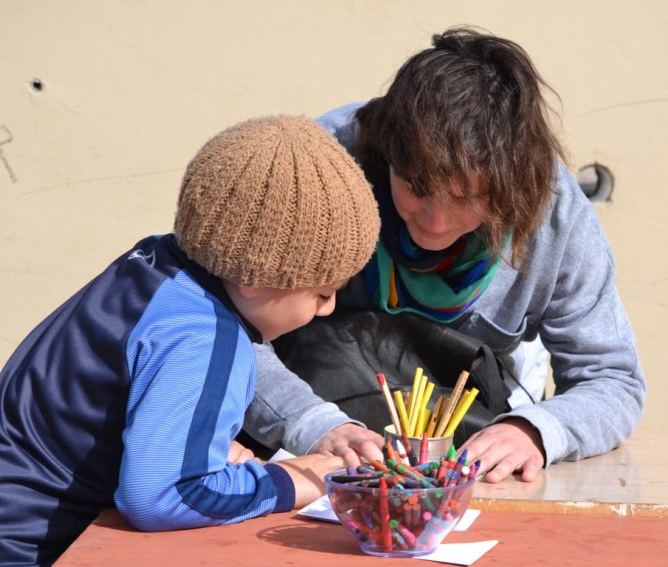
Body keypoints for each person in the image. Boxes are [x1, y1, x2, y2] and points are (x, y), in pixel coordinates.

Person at [0, 115, 381, 566]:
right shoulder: (203, 335)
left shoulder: (153, 263)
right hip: (8, 547)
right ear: (254, 277)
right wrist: (294, 479)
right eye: (322, 293)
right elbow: (162, 497)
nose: (328, 309)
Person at [243, 27, 646, 484]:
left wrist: (535, 431)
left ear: (513, 183)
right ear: (384, 151)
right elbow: (221, 324)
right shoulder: (319, 167)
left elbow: (613, 380)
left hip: (472, 427)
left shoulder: (555, 211)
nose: (435, 223)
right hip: (311, 424)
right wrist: (312, 422)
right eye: (415, 187)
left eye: (466, 198)